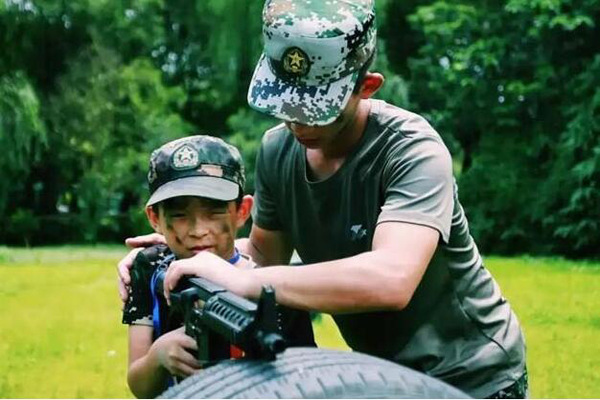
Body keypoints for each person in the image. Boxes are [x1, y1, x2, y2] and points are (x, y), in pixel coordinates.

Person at [119, 1, 528, 398]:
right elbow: (265, 254)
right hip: (382, 376)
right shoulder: (278, 150)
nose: (297, 120)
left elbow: (391, 279)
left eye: (316, 107)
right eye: (286, 101)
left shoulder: (411, 150)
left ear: (366, 87)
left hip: (471, 375)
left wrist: (247, 279)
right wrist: (187, 254)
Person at [121, 135, 315, 398]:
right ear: (155, 218)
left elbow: (310, 380)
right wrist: (158, 356)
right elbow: (139, 386)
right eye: (179, 215)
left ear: (243, 211)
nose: (198, 230)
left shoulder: (274, 286)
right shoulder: (149, 267)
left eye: (214, 212)